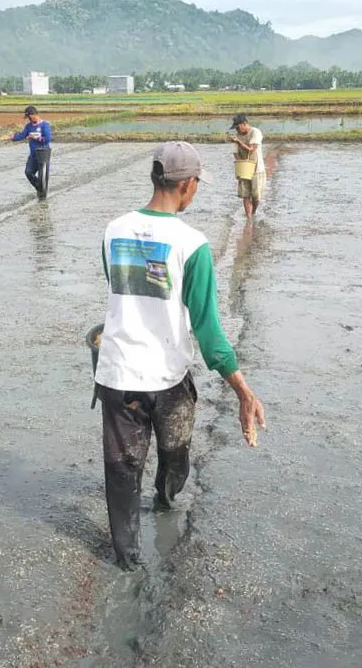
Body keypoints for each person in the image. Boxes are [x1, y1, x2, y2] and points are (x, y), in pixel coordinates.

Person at [93, 140, 267, 571]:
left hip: (117, 377)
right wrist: (243, 390)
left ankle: (127, 561)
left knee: (121, 472)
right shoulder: (192, 245)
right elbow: (207, 329)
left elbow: (120, 294)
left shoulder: (113, 230)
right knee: (175, 457)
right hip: (168, 380)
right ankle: (167, 502)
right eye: (197, 185)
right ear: (187, 185)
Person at [3, 105, 52, 199]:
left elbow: (48, 139)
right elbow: (22, 135)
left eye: (29, 117)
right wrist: (11, 137)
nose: (28, 119)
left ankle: (42, 198)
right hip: (33, 155)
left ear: (33, 115)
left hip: (43, 156)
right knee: (28, 172)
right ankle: (39, 188)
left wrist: (36, 138)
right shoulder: (29, 126)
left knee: (43, 179)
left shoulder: (44, 125)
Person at [228, 113, 266, 219]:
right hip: (244, 169)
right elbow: (235, 153)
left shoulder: (255, 132)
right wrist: (240, 162)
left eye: (238, 127)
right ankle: (249, 218)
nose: (237, 130)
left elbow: (251, 149)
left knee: (256, 196)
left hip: (257, 169)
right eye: (235, 128)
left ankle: (253, 212)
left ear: (244, 124)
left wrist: (238, 142)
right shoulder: (238, 136)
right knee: (245, 195)